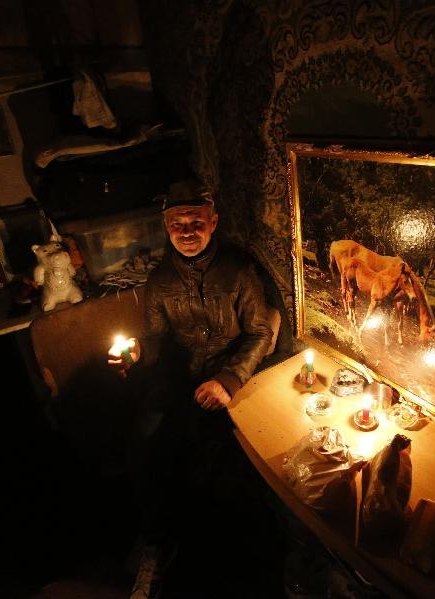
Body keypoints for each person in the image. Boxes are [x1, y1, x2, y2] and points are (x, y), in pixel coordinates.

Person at [109, 181, 274, 598]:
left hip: (229, 378)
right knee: (145, 445)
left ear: (212, 222)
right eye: (177, 224)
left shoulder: (238, 272)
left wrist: (229, 379)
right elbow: (155, 339)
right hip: (177, 379)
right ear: (166, 228)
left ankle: (224, 561)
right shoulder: (160, 281)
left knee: (228, 465)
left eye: (195, 223)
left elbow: (259, 333)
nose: (186, 232)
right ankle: (156, 546)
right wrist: (134, 355)